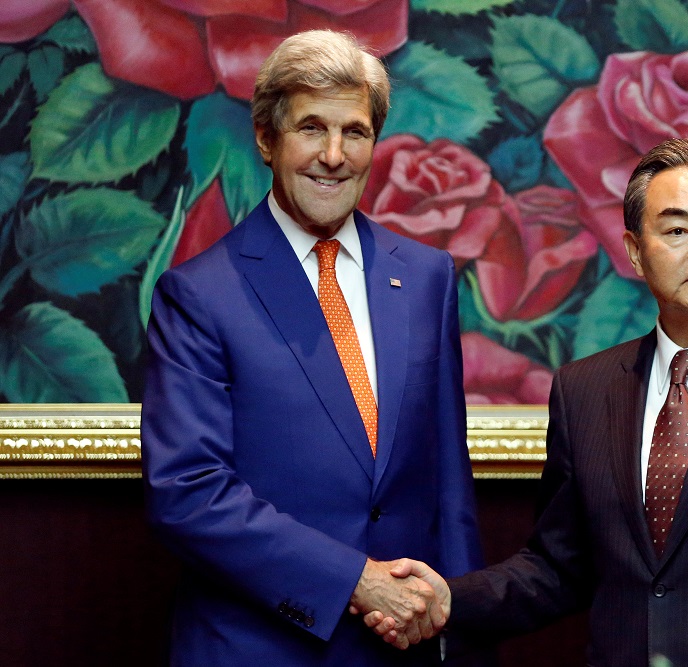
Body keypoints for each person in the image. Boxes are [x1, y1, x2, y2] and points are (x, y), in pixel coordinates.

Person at [370, 138, 688, 665]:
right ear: (636, 251)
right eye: (677, 229)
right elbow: (559, 568)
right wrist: (448, 600)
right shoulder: (585, 391)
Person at [141, 29, 482, 665]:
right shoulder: (199, 295)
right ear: (267, 140)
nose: (334, 155)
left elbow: (448, 487)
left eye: (354, 132)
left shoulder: (427, 277)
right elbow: (187, 491)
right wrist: (357, 581)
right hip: (259, 648)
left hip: (403, 651)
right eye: (311, 129)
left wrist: (460, 635)